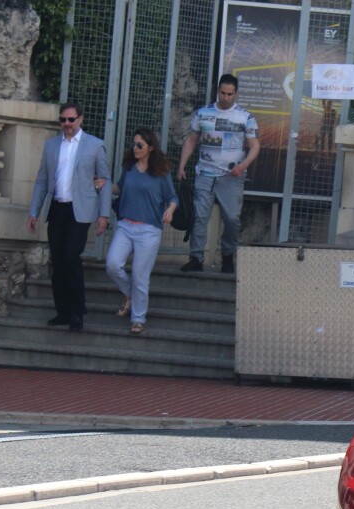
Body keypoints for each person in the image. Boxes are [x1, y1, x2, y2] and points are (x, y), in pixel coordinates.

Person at [28, 101, 112, 331]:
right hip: (57, 208)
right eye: (63, 120)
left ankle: (78, 311)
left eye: (71, 119)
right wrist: (34, 210)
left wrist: (104, 214)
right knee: (57, 260)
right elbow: (42, 180)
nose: (67, 124)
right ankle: (62, 311)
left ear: (80, 119)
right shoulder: (51, 146)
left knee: (70, 256)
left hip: (80, 210)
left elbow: (105, 180)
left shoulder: (94, 146)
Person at [176, 74, 259, 274]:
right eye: (222, 93)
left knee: (231, 218)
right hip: (205, 172)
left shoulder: (245, 117)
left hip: (232, 175)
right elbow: (191, 140)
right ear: (217, 91)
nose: (226, 97)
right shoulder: (203, 113)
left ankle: (228, 256)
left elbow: (255, 146)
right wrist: (181, 166)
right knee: (199, 216)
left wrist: (244, 165)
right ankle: (196, 257)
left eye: (230, 94)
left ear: (236, 93)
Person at [105, 129, 178, 336]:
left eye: (139, 145)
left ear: (150, 148)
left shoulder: (161, 172)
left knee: (140, 275)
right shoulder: (128, 167)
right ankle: (130, 294)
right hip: (125, 225)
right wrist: (104, 186)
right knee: (112, 264)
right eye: (134, 144)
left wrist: (170, 210)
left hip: (149, 230)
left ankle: (137, 319)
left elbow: (173, 197)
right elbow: (120, 187)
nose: (135, 148)